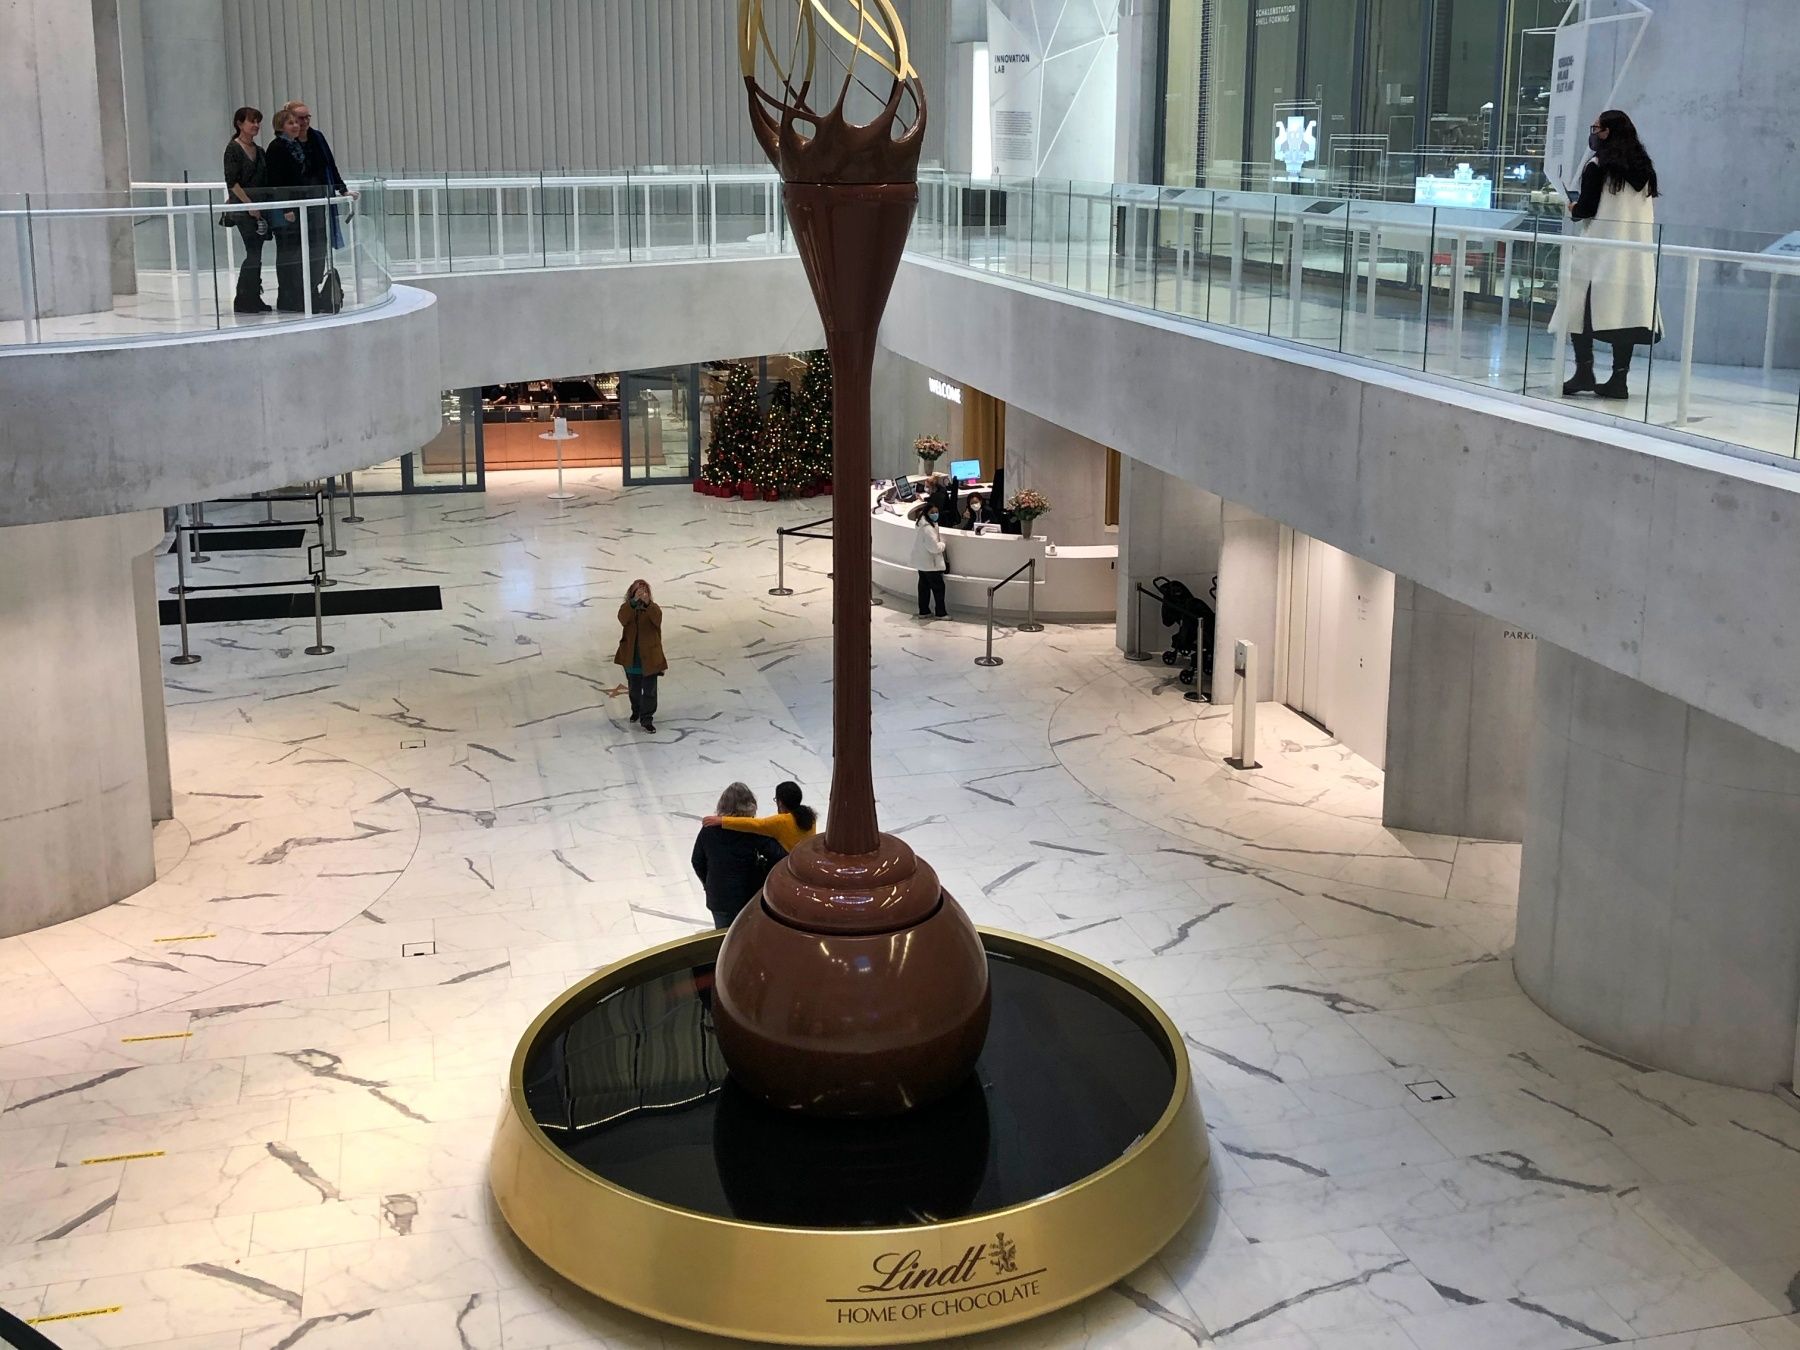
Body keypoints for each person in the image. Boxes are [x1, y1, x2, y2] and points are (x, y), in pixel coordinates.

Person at [1552, 109, 1661, 401]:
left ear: (1608, 132)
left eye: (1596, 128)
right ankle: (1619, 379)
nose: (1593, 133)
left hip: (1598, 252)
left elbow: (1586, 209)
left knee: (1580, 310)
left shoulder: (1597, 166)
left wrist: (1573, 208)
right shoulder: (1644, 169)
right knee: (1626, 313)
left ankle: (1584, 371)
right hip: (1635, 256)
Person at [265, 101, 351, 313]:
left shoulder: (315, 139)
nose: (301, 123)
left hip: (314, 204)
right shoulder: (280, 147)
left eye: (305, 118)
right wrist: (286, 207)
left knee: (317, 248)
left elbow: (328, 165)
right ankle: (291, 295)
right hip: (293, 208)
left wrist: (341, 188)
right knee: (292, 252)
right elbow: (277, 179)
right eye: (295, 120)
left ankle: (310, 291)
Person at [692, 782, 786, 929]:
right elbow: (780, 856)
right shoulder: (752, 831)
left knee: (724, 936)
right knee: (747, 936)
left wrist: (708, 883)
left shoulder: (708, 830)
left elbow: (697, 861)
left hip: (719, 896)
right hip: (747, 897)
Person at [221, 106, 270, 314]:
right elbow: (232, 181)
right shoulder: (233, 149)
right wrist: (248, 204)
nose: (256, 125)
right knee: (253, 251)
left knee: (257, 252)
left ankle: (253, 295)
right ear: (240, 124)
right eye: (252, 121)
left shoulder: (260, 151)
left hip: (259, 207)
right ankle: (243, 297)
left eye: (258, 121)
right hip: (243, 208)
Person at [704, 780, 819, 852]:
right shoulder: (810, 815)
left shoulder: (782, 821)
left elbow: (754, 824)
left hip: (791, 866)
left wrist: (722, 820)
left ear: (780, 803)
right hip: (807, 860)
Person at [614, 578, 666, 732]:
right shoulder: (627, 608)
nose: (641, 592)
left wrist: (648, 603)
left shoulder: (653, 608)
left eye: (644, 589)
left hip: (650, 657)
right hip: (632, 657)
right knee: (634, 690)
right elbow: (622, 619)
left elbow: (657, 619)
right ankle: (636, 710)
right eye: (638, 589)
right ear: (632, 592)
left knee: (650, 691)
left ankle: (647, 718)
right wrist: (633, 603)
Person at [910, 499, 948, 617]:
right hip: (930, 564)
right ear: (926, 513)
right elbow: (934, 548)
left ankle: (924, 611)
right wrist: (942, 545)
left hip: (923, 563)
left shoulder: (922, 525)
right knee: (938, 589)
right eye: (932, 512)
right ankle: (940, 613)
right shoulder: (928, 529)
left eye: (936, 512)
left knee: (924, 588)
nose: (935, 514)